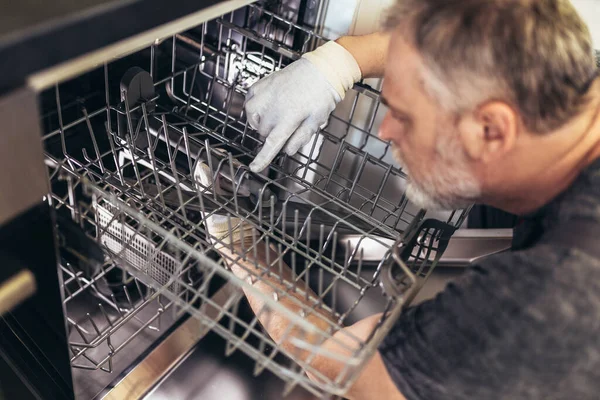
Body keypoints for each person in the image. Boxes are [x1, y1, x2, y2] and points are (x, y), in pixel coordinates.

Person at [201, 0, 600, 399]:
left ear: (490, 130)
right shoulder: (569, 84)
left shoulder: (544, 300)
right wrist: (339, 62)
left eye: (404, 116)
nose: (387, 130)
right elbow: (458, 40)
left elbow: (351, 370)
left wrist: (238, 239)